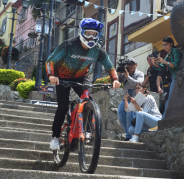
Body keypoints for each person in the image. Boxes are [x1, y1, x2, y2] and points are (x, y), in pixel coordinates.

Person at [46, 18, 121, 150]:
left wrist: (115, 79)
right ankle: (56, 137)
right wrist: (52, 75)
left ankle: (87, 130)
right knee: (62, 108)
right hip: (62, 77)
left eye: (95, 34)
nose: (91, 37)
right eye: (88, 33)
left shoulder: (98, 50)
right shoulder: (68, 45)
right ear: (82, 33)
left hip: (81, 77)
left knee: (88, 101)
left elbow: (110, 66)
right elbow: (50, 61)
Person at [153, 36, 182, 119]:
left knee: (170, 99)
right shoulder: (168, 55)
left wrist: (164, 61)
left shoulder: (175, 51)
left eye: (166, 44)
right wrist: (155, 63)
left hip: (177, 77)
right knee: (170, 99)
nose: (165, 46)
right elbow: (162, 67)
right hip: (173, 78)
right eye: (163, 45)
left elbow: (175, 65)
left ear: (171, 44)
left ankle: (164, 119)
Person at [117, 58, 144, 141]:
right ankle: (129, 133)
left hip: (134, 100)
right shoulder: (124, 73)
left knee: (129, 117)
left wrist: (128, 77)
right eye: (129, 64)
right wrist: (119, 73)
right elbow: (118, 82)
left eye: (132, 64)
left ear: (136, 65)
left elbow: (139, 83)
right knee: (120, 116)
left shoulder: (140, 73)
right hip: (125, 99)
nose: (130, 66)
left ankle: (130, 136)